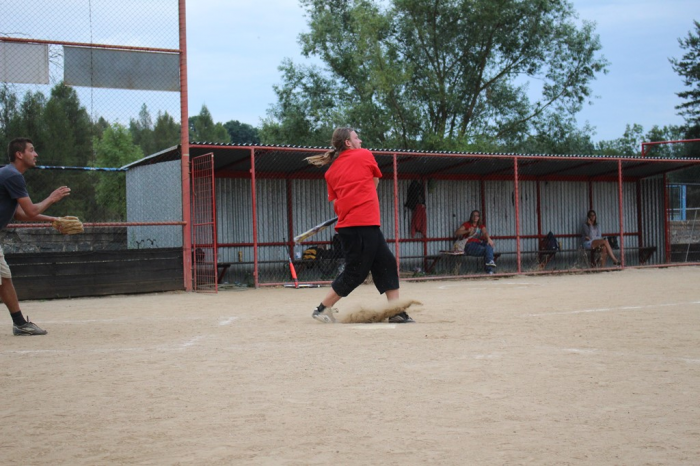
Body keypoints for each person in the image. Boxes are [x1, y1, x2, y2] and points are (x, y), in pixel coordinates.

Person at [305, 127, 414, 323]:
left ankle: (395, 311)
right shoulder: (364, 154)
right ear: (348, 143)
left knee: (386, 263)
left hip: (358, 224)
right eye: (356, 138)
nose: (360, 141)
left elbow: (336, 203)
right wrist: (364, 197)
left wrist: (353, 201)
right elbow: (375, 180)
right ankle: (322, 309)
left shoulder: (330, 172)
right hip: (361, 223)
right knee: (355, 272)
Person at [1, 138, 71, 335]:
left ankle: (20, 324)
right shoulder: (12, 175)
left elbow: (20, 213)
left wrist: (53, 220)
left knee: (4, 278)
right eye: (31, 150)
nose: (36, 154)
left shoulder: (9, 174)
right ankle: (20, 324)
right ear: (19, 154)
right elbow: (31, 211)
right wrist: (52, 198)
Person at [454, 210, 497, 274]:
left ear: (479, 217)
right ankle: (489, 269)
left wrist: (488, 239)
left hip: (478, 244)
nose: (475, 217)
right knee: (488, 250)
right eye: (474, 216)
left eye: (477, 216)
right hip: (469, 245)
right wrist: (467, 231)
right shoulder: (467, 224)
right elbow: (457, 232)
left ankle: (490, 264)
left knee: (489, 245)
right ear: (471, 217)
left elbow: (485, 232)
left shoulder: (480, 226)